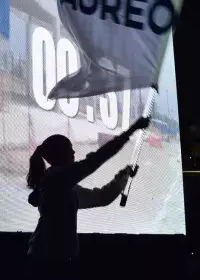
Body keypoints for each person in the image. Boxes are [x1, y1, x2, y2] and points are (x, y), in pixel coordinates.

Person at [26, 116, 150, 279]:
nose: (74, 152)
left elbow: (101, 198)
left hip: (49, 259)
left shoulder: (62, 187)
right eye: (70, 149)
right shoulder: (60, 180)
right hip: (49, 262)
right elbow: (99, 157)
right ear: (60, 154)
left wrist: (124, 174)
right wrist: (132, 129)